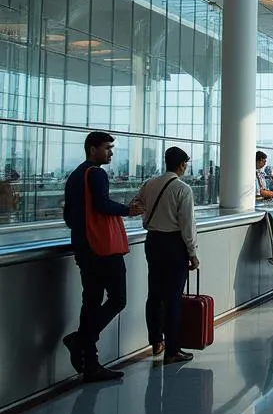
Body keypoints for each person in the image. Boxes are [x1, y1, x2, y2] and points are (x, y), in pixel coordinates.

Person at [62, 131, 142, 381]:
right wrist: (129, 210)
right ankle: (80, 339)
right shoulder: (96, 173)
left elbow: (69, 216)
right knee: (118, 298)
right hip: (102, 249)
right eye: (107, 148)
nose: (111, 152)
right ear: (92, 148)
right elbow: (101, 205)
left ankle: (91, 365)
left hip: (84, 247)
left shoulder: (75, 175)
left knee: (92, 302)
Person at [135, 146, 199, 364]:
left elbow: (136, 204)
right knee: (172, 298)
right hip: (173, 244)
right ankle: (173, 349)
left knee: (154, 294)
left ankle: (156, 342)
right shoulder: (183, 189)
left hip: (152, 241)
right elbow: (187, 225)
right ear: (182, 164)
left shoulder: (149, 184)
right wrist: (192, 253)